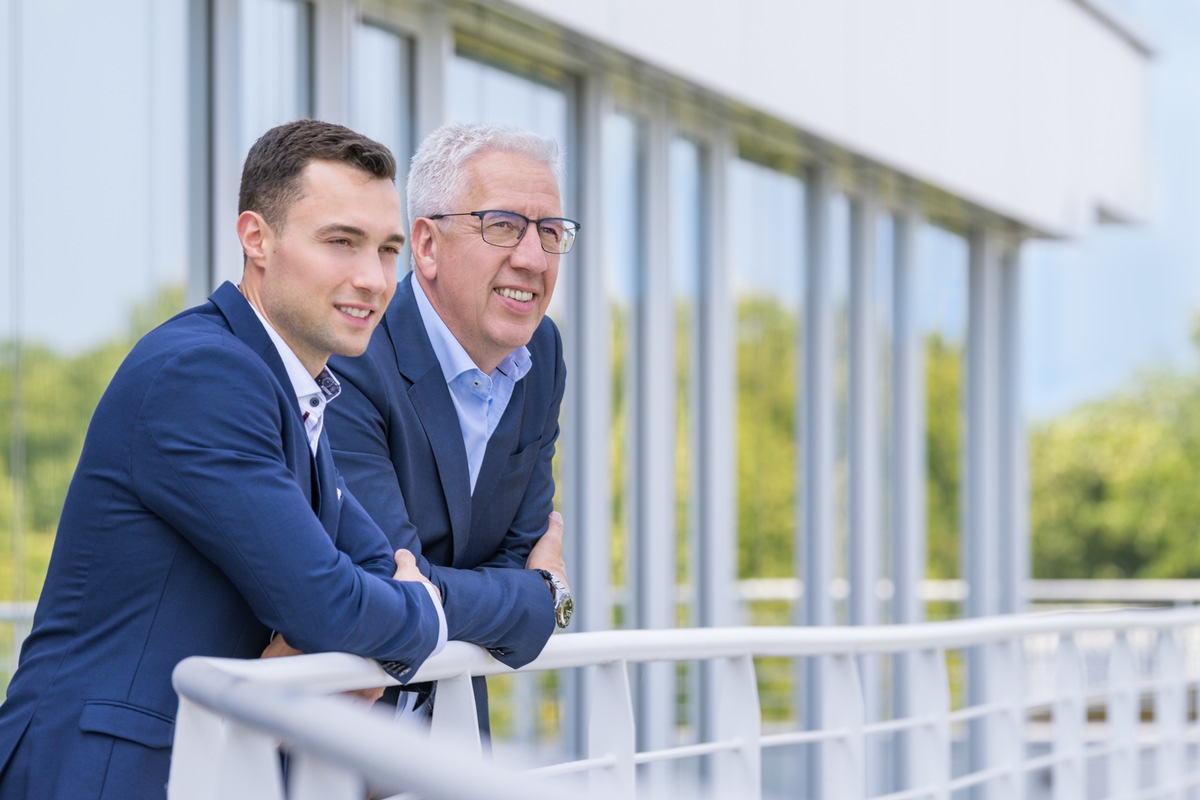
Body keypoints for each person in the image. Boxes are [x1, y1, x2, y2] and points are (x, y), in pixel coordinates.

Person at [0, 119, 447, 799]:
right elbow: (329, 604)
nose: (373, 279)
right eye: (341, 242)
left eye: (387, 250)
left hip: (199, 766)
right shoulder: (205, 374)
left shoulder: (289, 387)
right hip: (104, 775)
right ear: (255, 238)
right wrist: (424, 611)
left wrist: (366, 614)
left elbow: (364, 573)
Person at [326, 122, 576, 729]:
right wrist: (543, 599)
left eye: (550, 232)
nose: (533, 258)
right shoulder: (353, 351)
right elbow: (383, 582)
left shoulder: (541, 353)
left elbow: (517, 550)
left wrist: (514, 592)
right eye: (503, 227)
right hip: (331, 739)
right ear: (428, 246)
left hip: (453, 732)